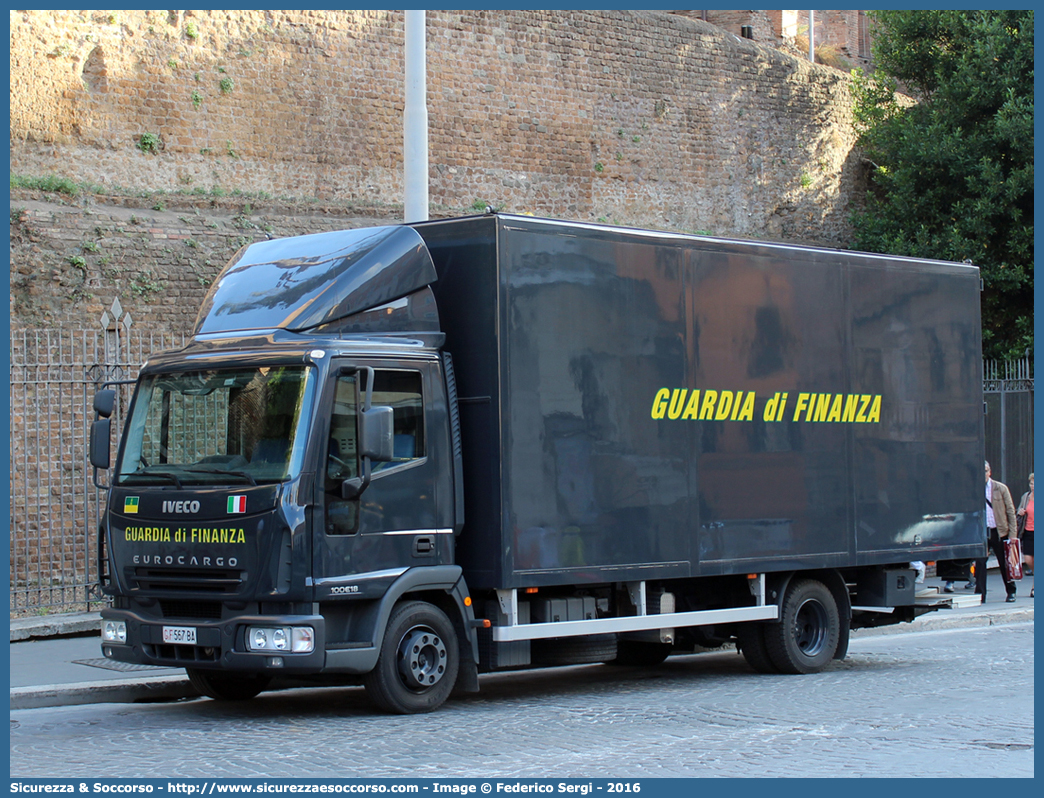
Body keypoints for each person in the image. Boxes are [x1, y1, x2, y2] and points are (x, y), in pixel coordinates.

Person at [979, 461, 1018, 603]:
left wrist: (1012, 535)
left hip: (999, 532)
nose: (983, 473)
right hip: (982, 532)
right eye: (980, 470)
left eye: (985, 470)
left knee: (1004, 563)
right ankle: (980, 594)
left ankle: (1011, 591)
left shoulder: (1000, 488)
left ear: (990, 472)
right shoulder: (974, 489)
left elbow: (1010, 511)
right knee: (980, 563)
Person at [1016, 473, 1034, 576]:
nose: (1033, 486)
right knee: (1028, 559)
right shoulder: (1026, 496)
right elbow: (1019, 509)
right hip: (1027, 531)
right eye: (1031, 483)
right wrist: (1020, 511)